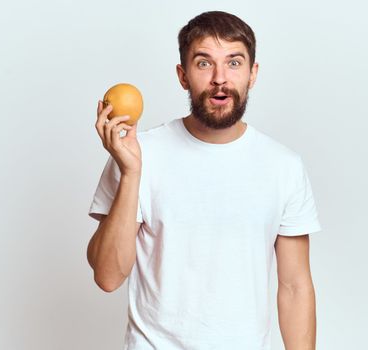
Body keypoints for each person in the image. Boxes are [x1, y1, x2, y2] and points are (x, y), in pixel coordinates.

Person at [87, 10, 322, 350]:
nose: (220, 78)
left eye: (234, 63)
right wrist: (131, 173)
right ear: (183, 75)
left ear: (253, 74)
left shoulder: (283, 166)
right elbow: (107, 276)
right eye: (203, 63)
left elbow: (295, 286)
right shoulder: (137, 154)